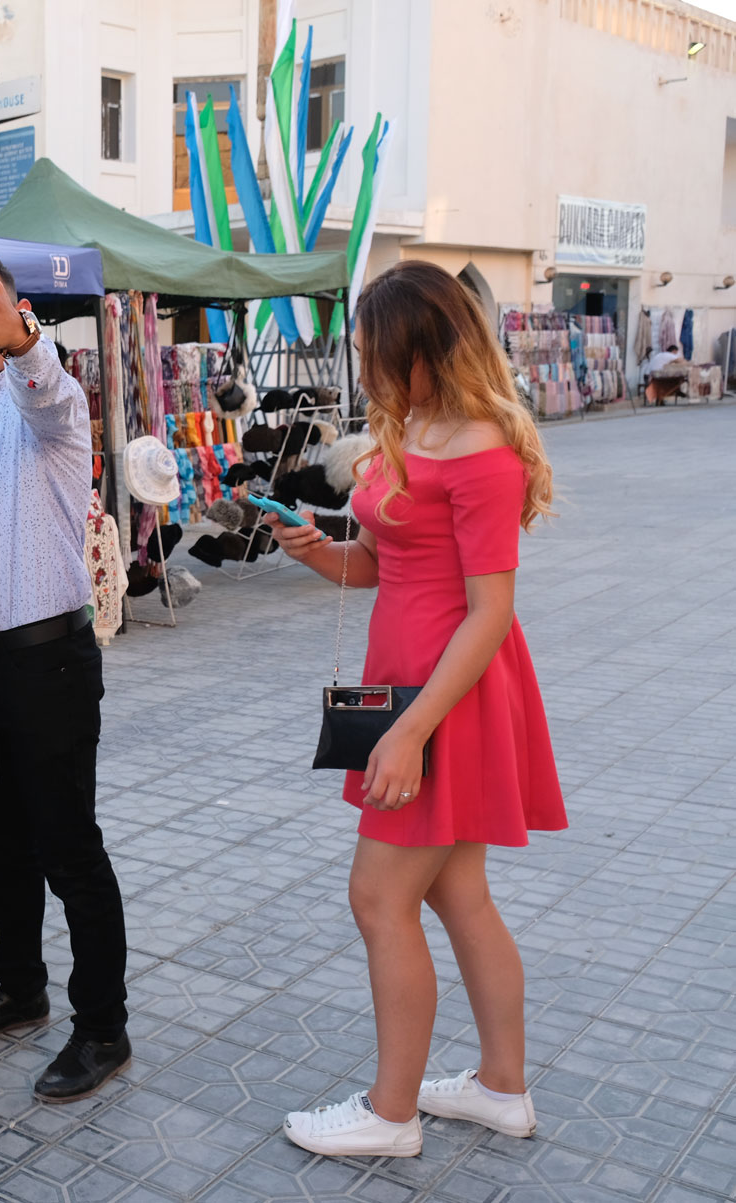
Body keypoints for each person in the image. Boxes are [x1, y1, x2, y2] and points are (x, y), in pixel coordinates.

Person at [265, 260, 565, 1159]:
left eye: (374, 351)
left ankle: (389, 1113)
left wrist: (408, 730)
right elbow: (384, 564)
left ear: (425, 350)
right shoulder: (418, 429)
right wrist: (315, 549)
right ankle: (500, 1089)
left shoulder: (478, 449)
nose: (364, 367)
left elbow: (489, 611)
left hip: (448, 700)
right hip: (416, 690)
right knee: (458, 894)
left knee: (377, 897)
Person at [0, 249, 132, 1102]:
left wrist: (16, 335)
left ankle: (102, 1026)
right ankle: (19, 985)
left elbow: (39, 379)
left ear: (13, 313)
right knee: (0, 842)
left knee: (67, 846)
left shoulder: (50, 402)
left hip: (48, 658)